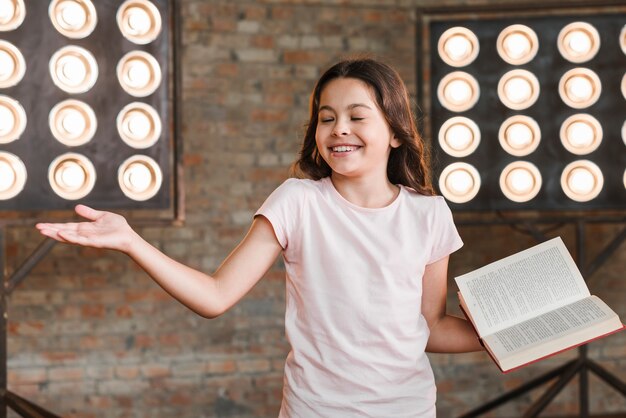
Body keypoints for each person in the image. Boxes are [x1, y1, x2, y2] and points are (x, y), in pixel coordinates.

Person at [37, 58, 484, 417]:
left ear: (394, 131)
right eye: (326, 118)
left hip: (409, 409)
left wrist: (506, 334)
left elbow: (429, 328)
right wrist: (131, 240)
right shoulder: (297, 201)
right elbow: (214, 296)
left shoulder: (429, 214)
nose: (339, 129)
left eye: (356, 116)